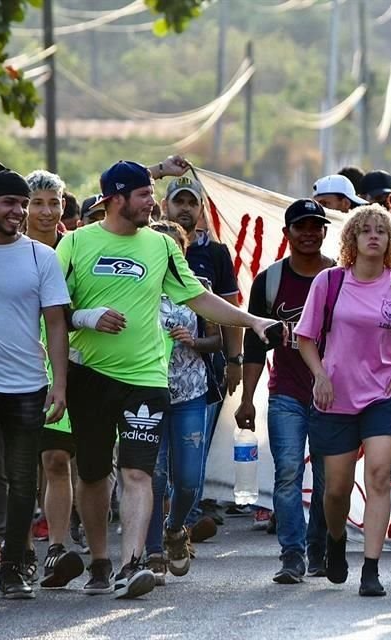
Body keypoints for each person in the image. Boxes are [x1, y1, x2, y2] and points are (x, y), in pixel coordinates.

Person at [57, 160, 278, 599]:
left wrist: (252, 321)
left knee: (139, 472)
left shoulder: (160, 248)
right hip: (89, 375)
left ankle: (132, 563)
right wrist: (86, 316)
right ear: (117, 199)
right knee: (96, 474)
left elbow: (199, 298)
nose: (153, 203)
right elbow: (51, 310)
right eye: (144, 195)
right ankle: (101, 561)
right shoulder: (76, 245)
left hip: (145, 377)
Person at [295, 205, 391, 597]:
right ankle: (337, 539)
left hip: (383, 394)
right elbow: (305, 337)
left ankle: (371, 569)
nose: (374, 236)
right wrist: (321, 375)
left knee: (378, 475)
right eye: (366, 231)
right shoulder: (330, 282)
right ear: (353, 240)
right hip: (336, 396)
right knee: (336, 490)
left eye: (381, 231)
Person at [236, 199, 335, 584]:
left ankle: (320, 548)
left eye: (316, 226)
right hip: (287, 395)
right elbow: (255, 342)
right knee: (288, 474)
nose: (309, 233)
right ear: (287, 233)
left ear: (326, 232)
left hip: (334, 396)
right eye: (301, 226)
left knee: (330, 480)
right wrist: (247, 398)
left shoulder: (341, 277)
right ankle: (291, 555)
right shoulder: (270, 281)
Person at [0, 168, 70, 599]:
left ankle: (15, 568)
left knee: (23, 482)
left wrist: (59, 384)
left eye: (23, 204)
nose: (19, 212)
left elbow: (56, 324)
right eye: (10, 202)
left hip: (26, 385)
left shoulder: (42, 256)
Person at [143, 221, 223, 586]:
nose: (168, 252)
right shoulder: (138, 284)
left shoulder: (199, 288)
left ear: (183, 250)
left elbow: (216, 341)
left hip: (190, 392)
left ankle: (175, 529)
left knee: (188, 480)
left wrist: (193, 340)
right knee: (153, 475)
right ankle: (152, 551)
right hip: (147, 391)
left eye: (174, 246)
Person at [161, 175, 241, 540]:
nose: (185, 209)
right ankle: (159, 533)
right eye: (179, 202)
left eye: (192, 203)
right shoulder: (146, 251)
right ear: (166, 206)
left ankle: (185, 521)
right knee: (155, 466)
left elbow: (229, 314)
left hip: (202, 379)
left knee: (190, 464)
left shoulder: (215, 255)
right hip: (147, 382)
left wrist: (235, 360)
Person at [25, 170, 84, 589]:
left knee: (57, 459)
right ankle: (21, 550)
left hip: (66, 364)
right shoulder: (7, 248)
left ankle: (58, 549)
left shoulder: (74, 247)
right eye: (38, 203)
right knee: (18, 466)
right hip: (15, 366)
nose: (46, 212)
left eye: (55, 202)